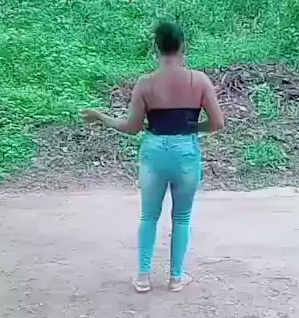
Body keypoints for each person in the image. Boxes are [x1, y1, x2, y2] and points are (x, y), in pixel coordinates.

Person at [82, 22, 225, 293]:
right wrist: (193, 127)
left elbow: (132, 126)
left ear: (155, 48)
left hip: (154, 151)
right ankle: (176, 277)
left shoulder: (145, 83)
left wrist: (102, 117)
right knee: (181, 217)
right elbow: (217, 122)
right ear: (183, 46)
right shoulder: (199, 81)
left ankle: (143, 276)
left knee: (149, 216)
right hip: (186, 152)